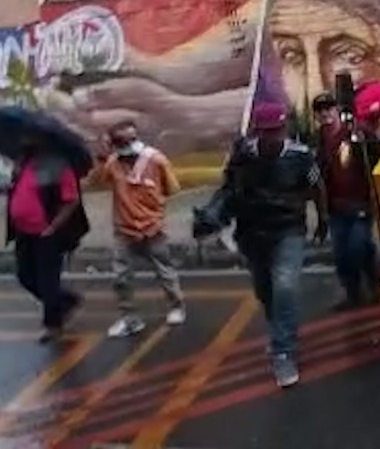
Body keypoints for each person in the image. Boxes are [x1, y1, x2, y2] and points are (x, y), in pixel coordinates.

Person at [195, 102, 328, 388]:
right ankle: (280, 328)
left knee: (285, 286)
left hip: (288, 230)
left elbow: (317, 188)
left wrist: (323, 221)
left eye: (278, 130)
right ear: (257, 132)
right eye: (267, 131)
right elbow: (228, 190)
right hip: (252, 232)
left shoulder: (301, 156)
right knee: (265, 290)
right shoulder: (242, 156)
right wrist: (213, 216)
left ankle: (284, 351)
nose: (274, 136)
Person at [88, 121, 186, 338]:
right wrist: (102, 155)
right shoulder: (113, 162)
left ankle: (176, 307)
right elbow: (96, 182)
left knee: (165, 271)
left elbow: (172, 189)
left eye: (133, 138)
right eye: (124, 140)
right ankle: (129, 319)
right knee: (121, 278)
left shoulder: (156, 160)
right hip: (124, 230)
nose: (131, 144)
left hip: (153, 228)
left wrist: (153, 209)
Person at [5, 131, 88, 343]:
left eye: (30, 138)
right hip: (23, 231)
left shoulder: (58, 166)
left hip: (46, 234)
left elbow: (71, 200)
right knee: (25, 276)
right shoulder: (24, 163)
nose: (24, 141)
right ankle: (66, 300)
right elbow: (17, 191)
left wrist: (53, 227)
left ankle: (53, 325)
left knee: (48, 281)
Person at [312, 93, 380, 311]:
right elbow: (315, 178)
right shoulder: (317, 141)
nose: (325, 113)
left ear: (337, 110)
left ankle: (374, 285)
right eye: (320, 110)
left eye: (329, 108)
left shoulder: (357, 133)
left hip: (360, 203)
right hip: (335, 207)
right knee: (342, 255)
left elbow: (378, 158)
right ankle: (353, 294)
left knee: (358, 247)